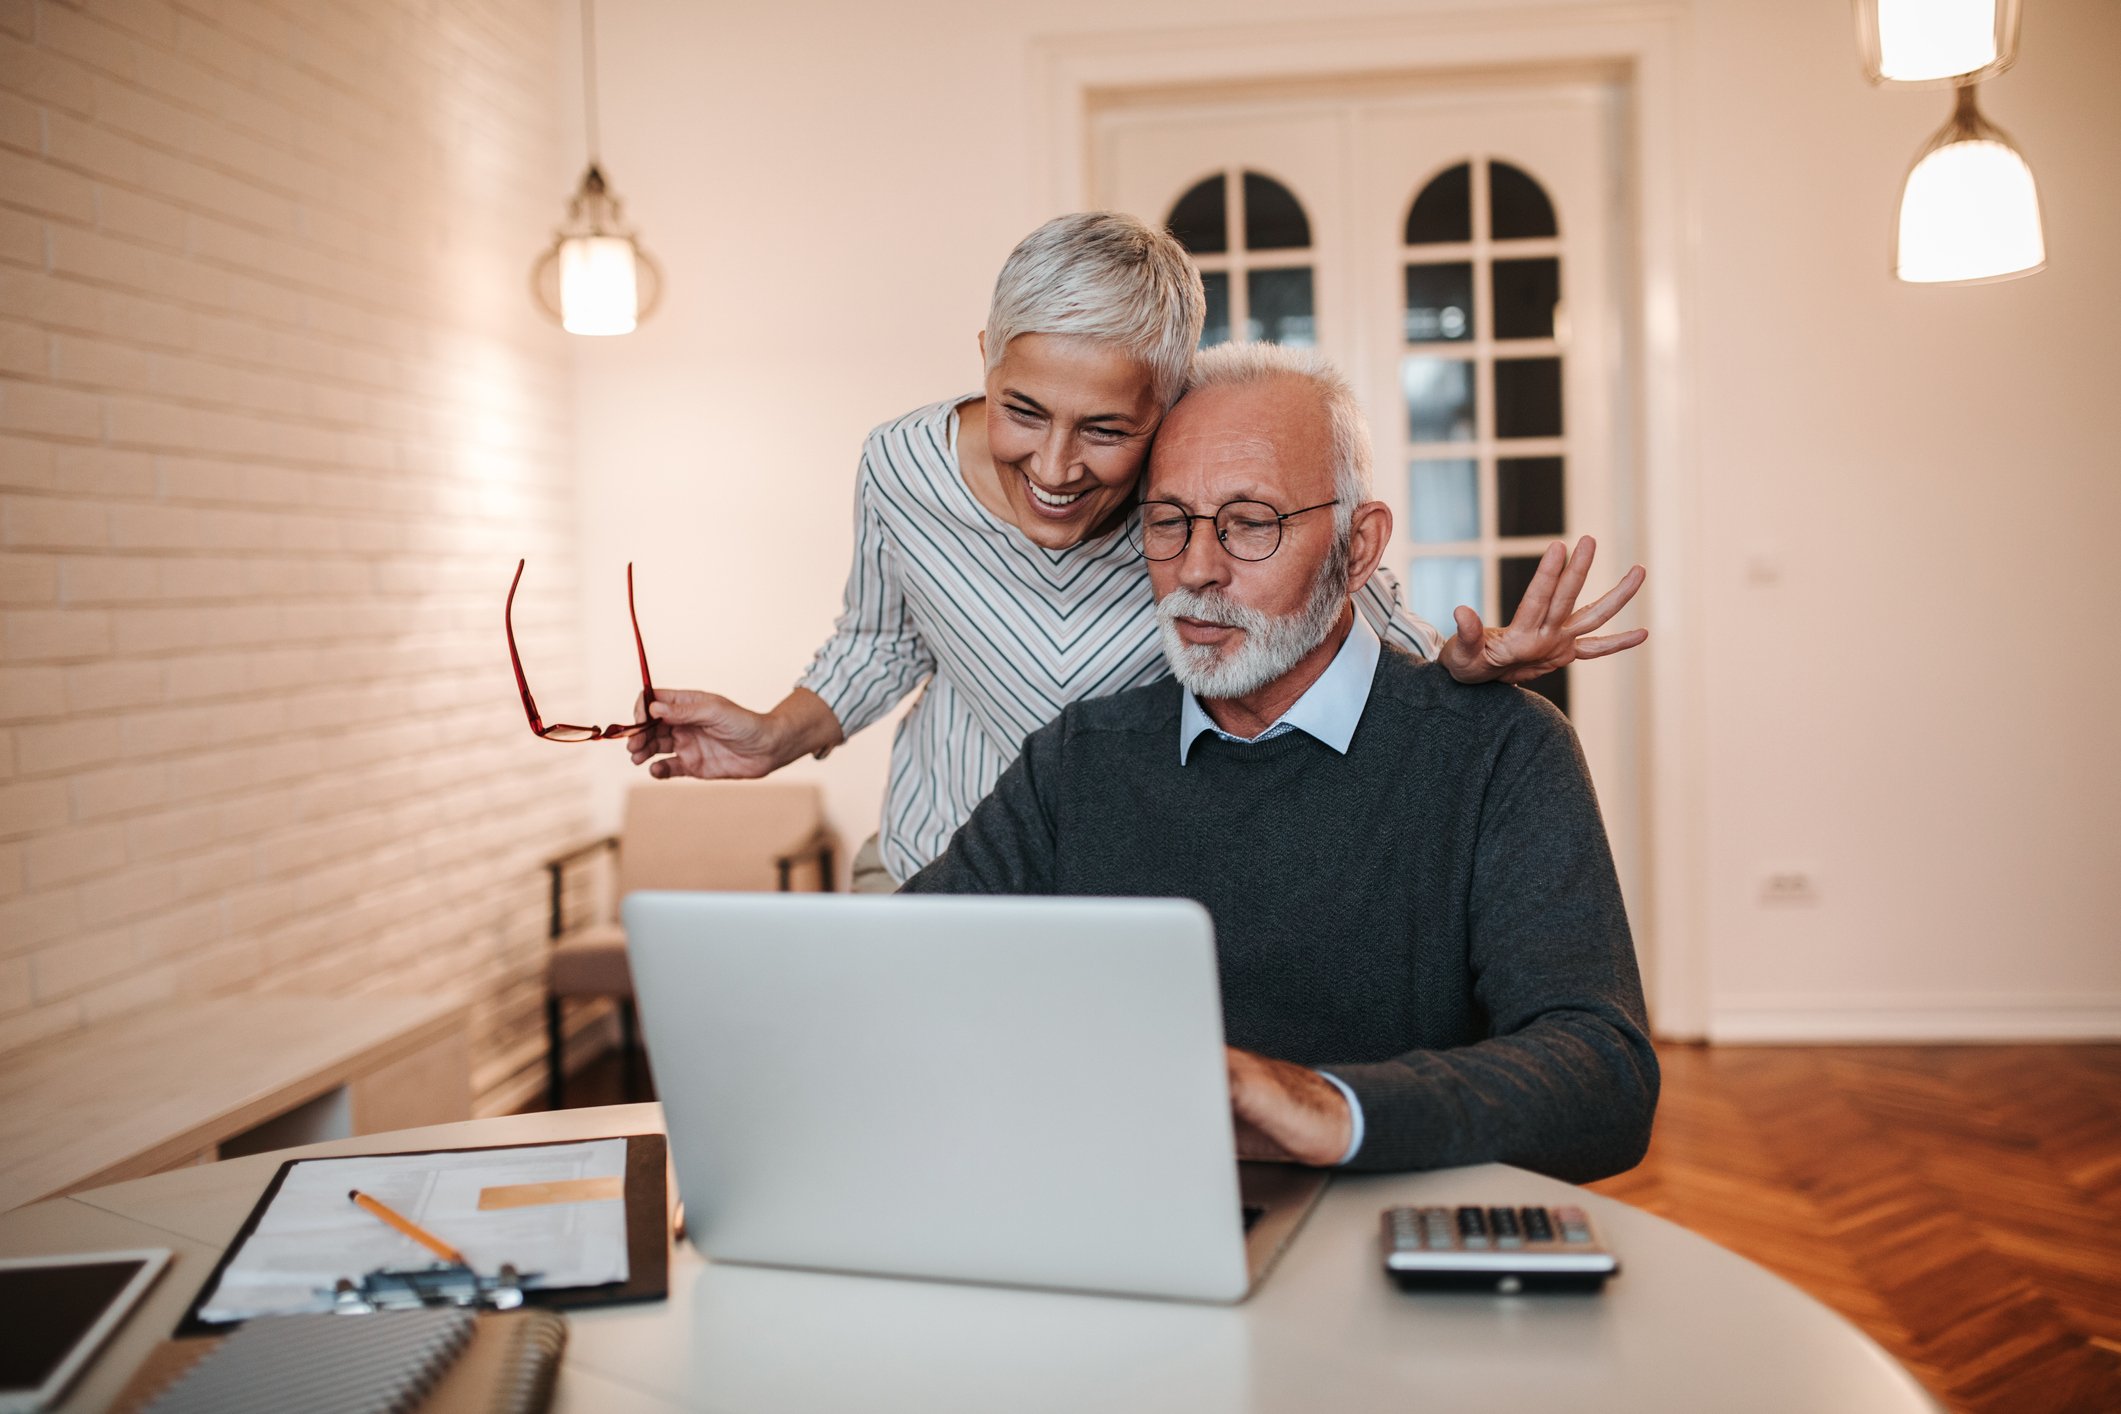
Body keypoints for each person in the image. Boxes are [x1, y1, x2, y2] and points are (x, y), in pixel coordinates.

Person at [631, 212, 1646, 892]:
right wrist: (772, 735)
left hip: (1132, 881)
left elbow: (1342, 587)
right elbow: (879, 643)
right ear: (984, 351)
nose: (1058, 467)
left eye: (1108, 431)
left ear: (1168, 404)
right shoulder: (901, 464)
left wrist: (1458, 663)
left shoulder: (1188, 490)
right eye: (1022, 410)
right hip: (936, 861)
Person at [900, 342, 1657, 1183]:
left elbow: (1602, 1074)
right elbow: (892, 975)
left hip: (1389, 1232)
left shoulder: (1498, 751)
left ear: (1358, 547)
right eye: (1167, 521)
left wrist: (1329, 1107)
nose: (1195, 570)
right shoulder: (1079, 761)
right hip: (1128, 1223)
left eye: (1250, 523)